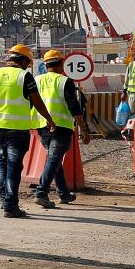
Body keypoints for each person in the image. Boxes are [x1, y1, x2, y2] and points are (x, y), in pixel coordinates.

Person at [0, 44, 56, 218]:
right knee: (13, 166)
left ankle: (5, 199)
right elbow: (38, 102)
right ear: (25, 60)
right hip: (17, 129)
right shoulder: (25, 76)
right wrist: (49, 119)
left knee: (3, 162)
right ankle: (11, 205)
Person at [31, 50, 91, 208]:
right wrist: (84, 130)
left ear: (45, 65)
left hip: (42, 127)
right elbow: (74, 107)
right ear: (61, 64)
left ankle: (63, 193)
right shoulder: (65, 81)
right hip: (61, 127)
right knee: (54, 159)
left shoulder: (37, 80)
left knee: (54, 159)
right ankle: (41, 192)